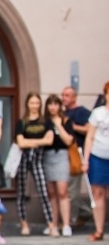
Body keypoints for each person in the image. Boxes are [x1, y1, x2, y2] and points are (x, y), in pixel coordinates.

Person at [15, 93, 55, 236]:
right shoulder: (22, 122)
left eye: (37, 103)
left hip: (38, 159)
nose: (34, 106)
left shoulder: (46, 122)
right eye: (32, 103)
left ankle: (51, 224)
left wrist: (29, 142)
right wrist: (39, 141)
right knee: (21, 192)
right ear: (27, 104)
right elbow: (20, 142)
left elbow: (49, 141)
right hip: (23, 159)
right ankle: (24, 223)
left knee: (43, 192)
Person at [42, 95, 74, 237]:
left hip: (61, 156)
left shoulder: (67, 120)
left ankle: (66, 224)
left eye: (56, 104)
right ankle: (53, 223)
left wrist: (58, 125)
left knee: (62, 191)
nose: (53, 107)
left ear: (60, 106)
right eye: (50, 104)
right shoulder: (44, 122)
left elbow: (68, 141)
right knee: (51, 192)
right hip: (47, 156)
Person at [81, 81, 109, 241]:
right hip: (98, 156)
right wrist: (86, 160)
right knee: (97, 193)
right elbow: (89, 137)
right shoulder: (97, 113)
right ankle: (99, 230)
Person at [62, 86, 92, 228]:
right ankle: (86, 212)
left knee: (72, 190)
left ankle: (72, 220)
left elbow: (89, 129)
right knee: (65, 190)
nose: (64, 98)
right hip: (64, 154)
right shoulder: (63, 112)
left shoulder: (82, 112)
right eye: (63, 95)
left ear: (74, 97)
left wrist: (72, 127)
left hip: (76, 153)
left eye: (67, 95)